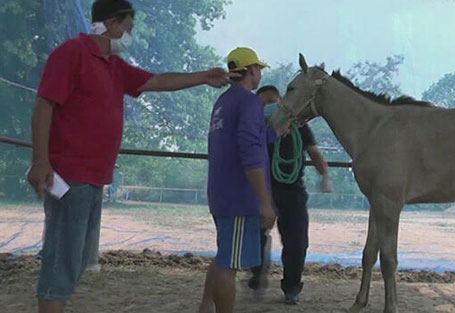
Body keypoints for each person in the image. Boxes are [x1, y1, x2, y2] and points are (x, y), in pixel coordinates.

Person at [26, 1, 237, 312]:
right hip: (70, 174)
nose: (130, 35)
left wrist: (202, 76)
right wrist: (40, 161)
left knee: (75, 261)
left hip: (95, 177)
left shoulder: (114, 65)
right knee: (61, 262)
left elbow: (156, 81)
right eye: (129, 27)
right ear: (112, 24)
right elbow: (44, 104)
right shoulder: (72, 53)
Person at [198, 48, 291, 313]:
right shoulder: (250, 103)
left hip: (221, 195)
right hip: (240, 199)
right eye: (259, 69)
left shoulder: (223, 103)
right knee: (229, 266)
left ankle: (205, 307)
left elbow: (244, 140)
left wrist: (274, 133)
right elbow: (250, 154)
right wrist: (265, 203)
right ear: (251, 70)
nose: (260, 73)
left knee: (224, 255)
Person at [248, 85, 332, 304]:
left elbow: (314, 152)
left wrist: (325, 175)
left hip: (293, 190)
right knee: (256, 236)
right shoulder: (256, 127)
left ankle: (292, 288)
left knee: (297, 241)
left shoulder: (299, 126)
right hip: (263, 189)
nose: (271, 107)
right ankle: (257, 277)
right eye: (266, 103)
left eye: (274, 101)